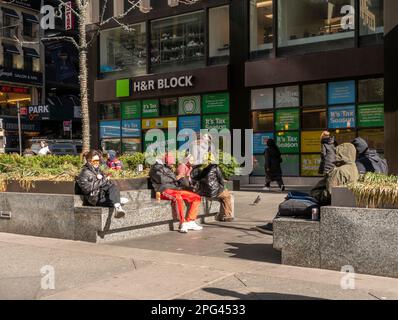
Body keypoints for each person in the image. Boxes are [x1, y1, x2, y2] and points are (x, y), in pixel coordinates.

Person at [256, 143, 360, 235]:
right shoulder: (353, 168)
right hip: (331, 202)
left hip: (322, 203)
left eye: (338, 152)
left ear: (343, 154)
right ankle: (275, 224)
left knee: (287, 202)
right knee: (293, 194)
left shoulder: (340, 171)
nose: (335, 155)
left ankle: (275, 227)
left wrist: (314, 194)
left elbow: (328, 194)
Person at [149, 152, 203, 234]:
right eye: (171, 163)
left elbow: (173, 180)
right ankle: (182, 223)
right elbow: (163, 181)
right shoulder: (156, 168)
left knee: (196, 197)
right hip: (163, 190)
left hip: (174, 189)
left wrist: (179, 178)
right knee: (178, 197)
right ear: (166, 161)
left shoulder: (166, 168)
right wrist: (176, 178)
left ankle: (190, 221)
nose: (173, 165)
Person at [77, 150, 129, 218]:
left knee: (113, 187)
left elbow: (106, 183)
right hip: (95, 198)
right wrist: (103, 180)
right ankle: (118, 202)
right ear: (89, 161)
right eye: (95, 161)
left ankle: (118, 207)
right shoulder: (84, 173)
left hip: (102, 194)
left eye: (98, 161)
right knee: (115, 200)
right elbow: (87, 188)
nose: (97, 163)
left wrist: (105, 179)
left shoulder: (98, 170)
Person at [192, 154, 234, 222]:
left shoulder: (203, 169)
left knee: (223, 198)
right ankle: (227, 216)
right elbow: (220, 179)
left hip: (204, 192)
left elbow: (196, 178)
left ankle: (222, 215)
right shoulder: (215, 166)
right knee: (227, 196)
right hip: (214, 191)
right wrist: (223, 187)